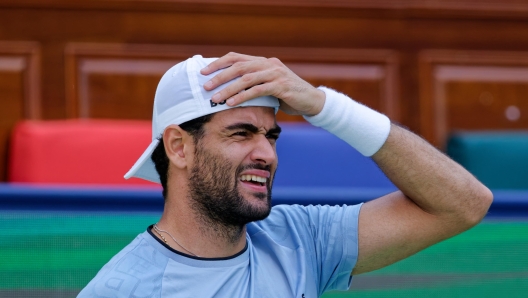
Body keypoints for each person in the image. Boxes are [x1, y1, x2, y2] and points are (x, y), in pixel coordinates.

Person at [78, 53, 492, 297]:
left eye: (270, 136)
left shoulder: (300, 237)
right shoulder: (123, 290)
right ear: (178, 147)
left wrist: (323, 107)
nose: (267, 154)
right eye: (240, 133)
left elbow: (464, 203)